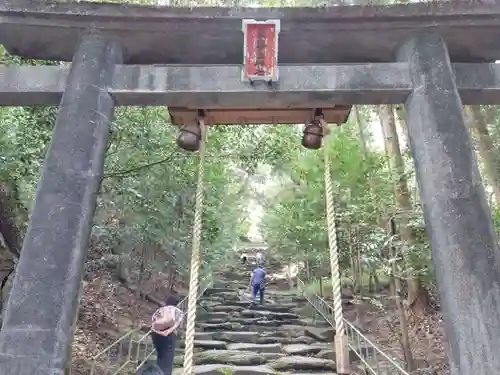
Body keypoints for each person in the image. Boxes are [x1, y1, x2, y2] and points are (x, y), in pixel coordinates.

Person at [150, 295, 183, 375]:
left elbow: (153, 322)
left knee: (160, 358)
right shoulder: (176, 310)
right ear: (176, 304)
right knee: (167, 361)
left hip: (156, 336)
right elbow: (179, 326)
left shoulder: (159, 310)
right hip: (168, 336)